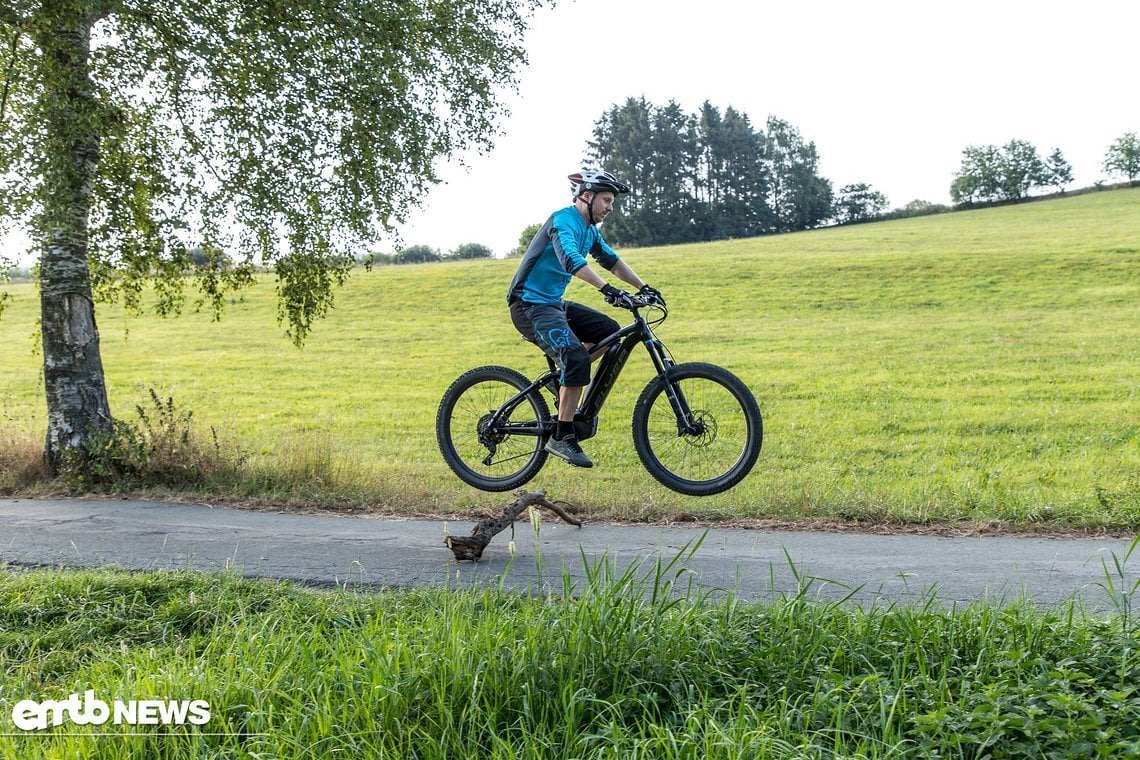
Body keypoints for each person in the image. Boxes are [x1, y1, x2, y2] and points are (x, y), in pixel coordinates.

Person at [507, 168, 664, 468]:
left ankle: (566, 381)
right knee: (577, 358)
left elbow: (610, 260)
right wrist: (607, 290)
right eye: (606, 200)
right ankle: (561, 436)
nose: (611, 208)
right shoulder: (563, 221)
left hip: (553, 303)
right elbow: (571, 260)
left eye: (612, 202)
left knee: (611, 332)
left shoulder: (590, 231)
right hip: (528, 304)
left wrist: (643, 287)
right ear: (587, 196)